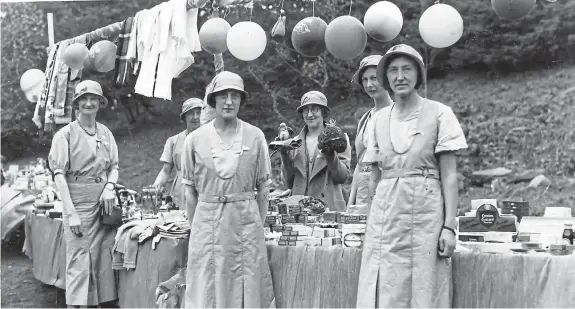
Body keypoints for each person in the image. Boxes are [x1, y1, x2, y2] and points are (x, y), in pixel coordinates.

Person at [356, 44, 468, 308]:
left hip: (426, 217)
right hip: (385, 219)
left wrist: (450, 227)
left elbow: (450, 176)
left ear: (418, 74)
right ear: (386, 78)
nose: (400, 76)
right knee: (384, 288)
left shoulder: (440, 113)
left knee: (423, 288)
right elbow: (373, 178)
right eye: (393, 70)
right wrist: (370, 224)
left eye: (407, 69)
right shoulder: (378, 120)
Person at [181, 71, 275, 308]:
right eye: (223, 95)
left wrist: (256, 224)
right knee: (207, 283)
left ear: (242, 101)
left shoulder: (255, 136)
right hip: (206, 223)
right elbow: (190, 191)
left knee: (248, 280)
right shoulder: (194, 140)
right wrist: (198, 227)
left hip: (245, 223)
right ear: (213, 100)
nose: (229, 101)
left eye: (235, 96)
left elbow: (264, 187)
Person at [48, 80, 119, 308]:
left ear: (100, 102)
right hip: (77, 203)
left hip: (103, 206)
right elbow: (59, 176)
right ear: (77, 104)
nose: (89, 103)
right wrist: (72, 214)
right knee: (78, 261)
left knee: (97, 259)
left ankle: (94, 304)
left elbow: (114, 167)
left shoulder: (106, 133)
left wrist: (109, 187)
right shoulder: (65, 135)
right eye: (83, 99)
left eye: (93, 99)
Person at [279, 91, 351, 212]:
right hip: (299, 211)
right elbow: (288, 183)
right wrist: (284, 153)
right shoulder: (294, 143)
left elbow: (342, 177)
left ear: (323, 111)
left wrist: (330, 154)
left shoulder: (338, 138)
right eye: (305, 110)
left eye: (315, 109)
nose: (310, 114)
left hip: (329, 210)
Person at [347, 55, 393, 208]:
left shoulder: (397, 114)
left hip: (388, 197)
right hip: (362, 197)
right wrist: (351, 202)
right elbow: (359, 166)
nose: (369, 84)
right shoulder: (365, 119)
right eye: (365, 80)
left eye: (374, 78)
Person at [152, 98, 203, 208]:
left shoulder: (211, 138)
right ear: (184, 117)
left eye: (199, 113)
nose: (195, 117)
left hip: (205, 187)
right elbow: (166, 170)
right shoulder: (173, 141)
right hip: (181, 190)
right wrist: (154, 189)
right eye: (190, 113)